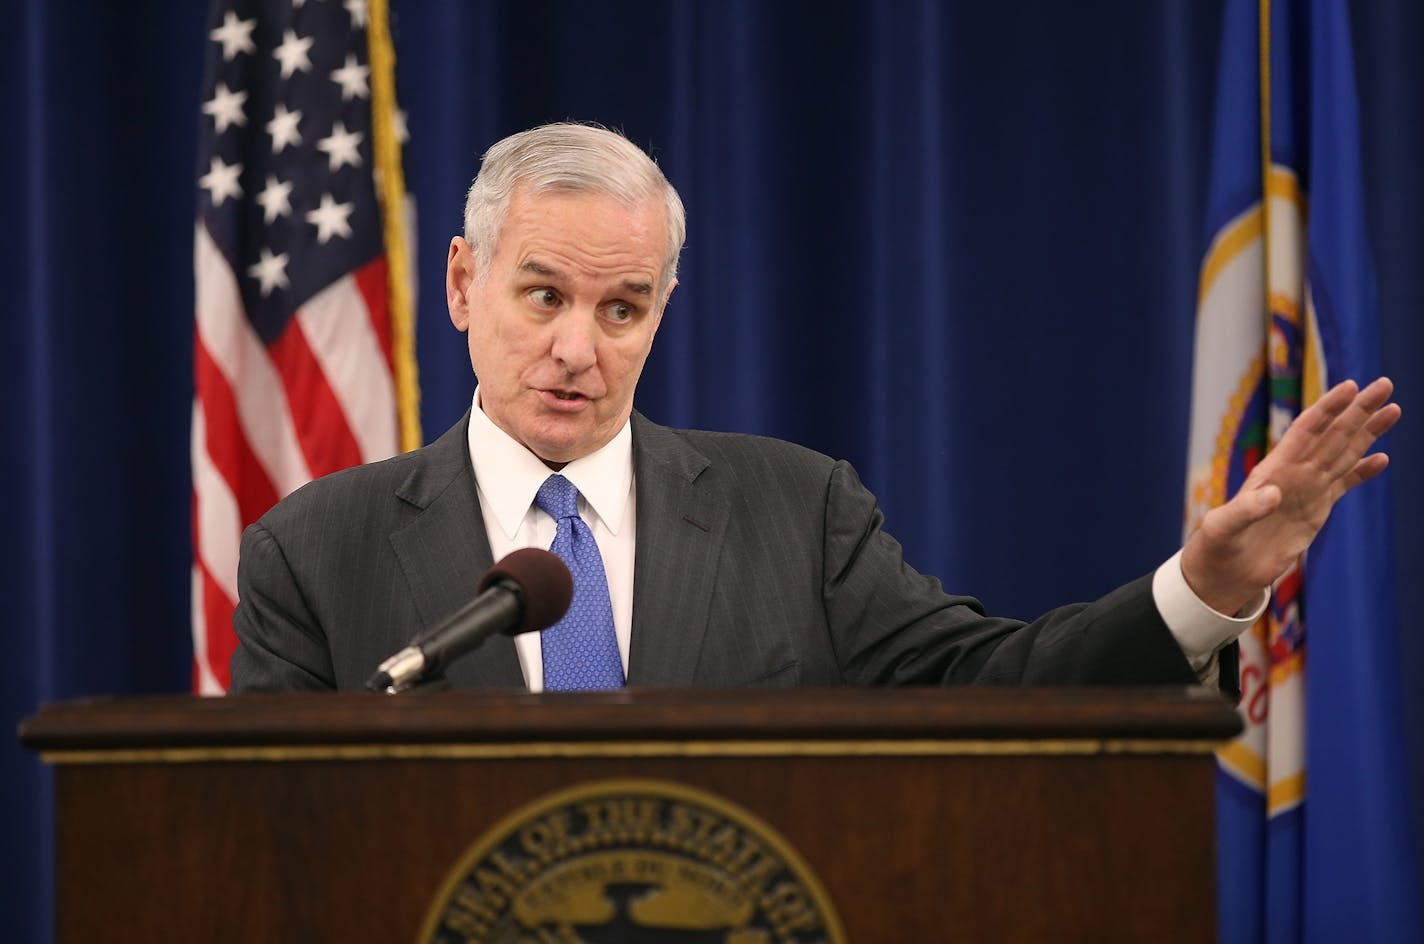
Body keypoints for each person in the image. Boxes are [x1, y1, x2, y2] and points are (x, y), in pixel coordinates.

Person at [229, 123, 1400, 694]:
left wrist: (1200, 590)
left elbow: (987, 687)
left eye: (623, 308)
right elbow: (269, 849)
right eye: (542, 295)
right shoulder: (315, 549)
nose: (577, 348)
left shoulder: (794, 510)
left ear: (664, 307)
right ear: (460, 283)